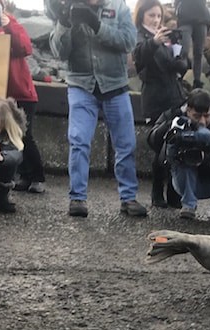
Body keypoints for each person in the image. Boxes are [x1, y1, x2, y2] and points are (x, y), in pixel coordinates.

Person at [47, 0, 147, 218]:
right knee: (79, 141)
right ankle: (78, 198)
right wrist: (64, 22)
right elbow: (59, 52)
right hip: (81, 84)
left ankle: (128, 197)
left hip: (115, 85)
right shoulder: (70, 8)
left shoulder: (119, 8)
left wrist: (96, 25)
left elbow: (128, 41)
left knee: (126, 144)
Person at [0, 0, 46, 194]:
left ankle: (36, 176)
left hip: (19, 92)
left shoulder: (14, 24)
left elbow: (25, 48)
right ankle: (18, 175)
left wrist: (8, 25)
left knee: (23, 134)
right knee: (1, 135)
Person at [148, 89, 210, 220]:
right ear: (188, 110)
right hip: (183, 179)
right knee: (184, 160)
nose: (202, 121)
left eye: (207, 116)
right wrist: (170, 128)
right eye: (197, 116)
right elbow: (152, 141)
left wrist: (205, 159)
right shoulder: (175, 116)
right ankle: (188, 205)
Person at [133, 0, 188, 208]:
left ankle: (174, 192)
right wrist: (155, 42)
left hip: (174, 95)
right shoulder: (141, 36)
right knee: (161, 146)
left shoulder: (164, 37)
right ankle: (157, 191)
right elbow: (139, 58)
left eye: (158, 16)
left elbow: (177, 63)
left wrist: (181, 62)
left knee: (176, 144)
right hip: (156, 99)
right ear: (142, 17)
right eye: (151, 16)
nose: (156, 20)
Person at [174, 0, 210, 89]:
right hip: (184, 18)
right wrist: (177, 9)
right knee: (183, 50)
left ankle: (197, 81)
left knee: (198, 53)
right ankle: (178, 77)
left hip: (202, 18)